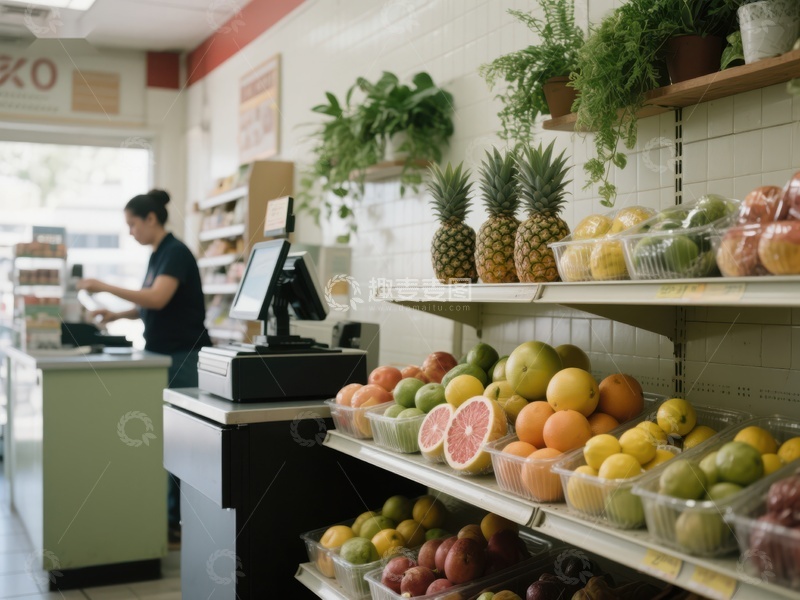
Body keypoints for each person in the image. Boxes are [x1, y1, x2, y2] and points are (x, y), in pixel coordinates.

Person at [78, 188, 211, 547]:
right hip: (165, 355)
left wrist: (102, 286)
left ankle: (178, 524)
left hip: (183, 358)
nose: (130, 232)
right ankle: (170, 521)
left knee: (181, 442)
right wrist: (116, 314)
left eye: (132, 224)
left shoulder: (176, 253)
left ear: (150, 219)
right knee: (168, 440)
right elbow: (149, 305)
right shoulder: (159, 255)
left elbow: (157, 297)